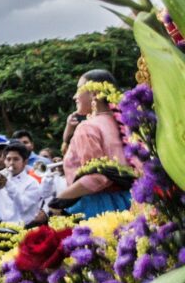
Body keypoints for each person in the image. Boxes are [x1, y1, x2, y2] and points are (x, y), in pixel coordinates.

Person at [55, 69, 133, 217]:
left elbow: (97, 177)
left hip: (97, 208)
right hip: (129, 202)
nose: (75, 96)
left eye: (79, 89)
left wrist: (59, 200)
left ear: (94, 93)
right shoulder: (127, 125)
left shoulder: (88, 127)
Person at [0, 142, 43, 226]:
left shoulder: (32, 183)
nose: (11, 163)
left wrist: (7, 184)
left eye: (16, 159)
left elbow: (23, 206)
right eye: (8, 159)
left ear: (25, 162)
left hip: (22, 228)